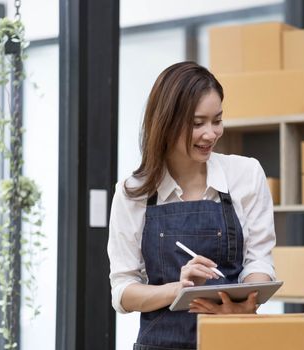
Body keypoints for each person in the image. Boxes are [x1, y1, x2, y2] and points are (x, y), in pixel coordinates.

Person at [107, 61, 276, 350]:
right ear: (167, 123)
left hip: (232, 340)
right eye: (198, 123)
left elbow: (259, 260)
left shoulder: (246, 174)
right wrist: (179, 289)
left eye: (217, 120)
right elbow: (123, 292)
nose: (210, 134)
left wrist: (246, 304)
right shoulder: (132, 192)